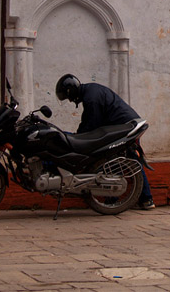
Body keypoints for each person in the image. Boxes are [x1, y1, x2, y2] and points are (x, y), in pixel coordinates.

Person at [55, 74, 154, 210]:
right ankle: (127, 199)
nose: (71, 101)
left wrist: (76, 139)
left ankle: (144, 199)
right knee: (120, 161)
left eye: (69, 97)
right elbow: (88, 122)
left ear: (71, 92)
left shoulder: (91, 98)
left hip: (124, 127)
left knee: (126, 160)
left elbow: (91, 124)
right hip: (120, 126)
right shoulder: (90, 92)